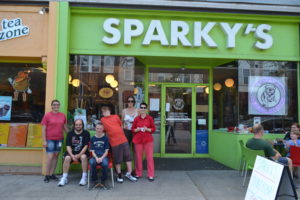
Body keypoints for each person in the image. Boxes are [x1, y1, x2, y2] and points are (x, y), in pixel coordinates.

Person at [100, 105, 137, 183]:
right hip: (114, 142)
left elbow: (120, 125)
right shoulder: (102, 120)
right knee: (117, 159)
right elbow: (102, 129)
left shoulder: (116, 116)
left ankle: (129, 173)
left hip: (123, 139)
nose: (105, 112)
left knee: (128, 157)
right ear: (102, 113)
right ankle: (119, 175)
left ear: (110, 111)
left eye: (106, 110)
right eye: (103, 111)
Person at [41, 99, 68, 183]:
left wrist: (72, 134)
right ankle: (47, 175)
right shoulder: (47, 115)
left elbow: (65, 127)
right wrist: (44, 141)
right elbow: (43, 129)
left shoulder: (63, 115)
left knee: (56, 156)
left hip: (59, 139)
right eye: (54, 105)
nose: (56, 106)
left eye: (57, 105)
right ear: (51, 106)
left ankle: (52, 174)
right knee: (50, 157)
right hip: (50, 139)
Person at [58, 119, 90, 187]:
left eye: (80, 125)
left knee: (84, 157)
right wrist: (72, 155)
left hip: (82, 153)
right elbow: (68, 146)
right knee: (67, 158)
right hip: (71, 153)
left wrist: (79, 155)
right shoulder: (70, 134)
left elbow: (86, 146)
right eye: (77, 125)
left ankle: (84, 177)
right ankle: (64, 177)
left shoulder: (86, 133)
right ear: (74, 125)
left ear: (82, 125)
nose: (78, 126)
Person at [131, 102, 156, 181]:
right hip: (138, 140)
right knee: (138, 158)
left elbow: (153, 129)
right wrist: (137, 129)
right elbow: (132, 129)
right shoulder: (136, 119)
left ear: (146, 109)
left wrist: (147, 129)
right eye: (141, 107)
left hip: (148, 140)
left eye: (144, 107)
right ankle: (138, 173)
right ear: (139, 109)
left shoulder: (149, 118)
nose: (143, 109)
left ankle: (151, 175)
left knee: (149, 158)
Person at [89, 123, 110, 188]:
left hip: (103, 156)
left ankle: (104, 180)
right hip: (95, 156)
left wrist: (101, 158)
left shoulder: (105, 138)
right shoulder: (92, 138)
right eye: (97, 128)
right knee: (92, 162)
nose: (99, 130)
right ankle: (94, 180)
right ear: (95, 129)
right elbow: (92, 151)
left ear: (103, 129)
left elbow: (106, 151)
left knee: (105, 164)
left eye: (100, 128)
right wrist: (96, 157)